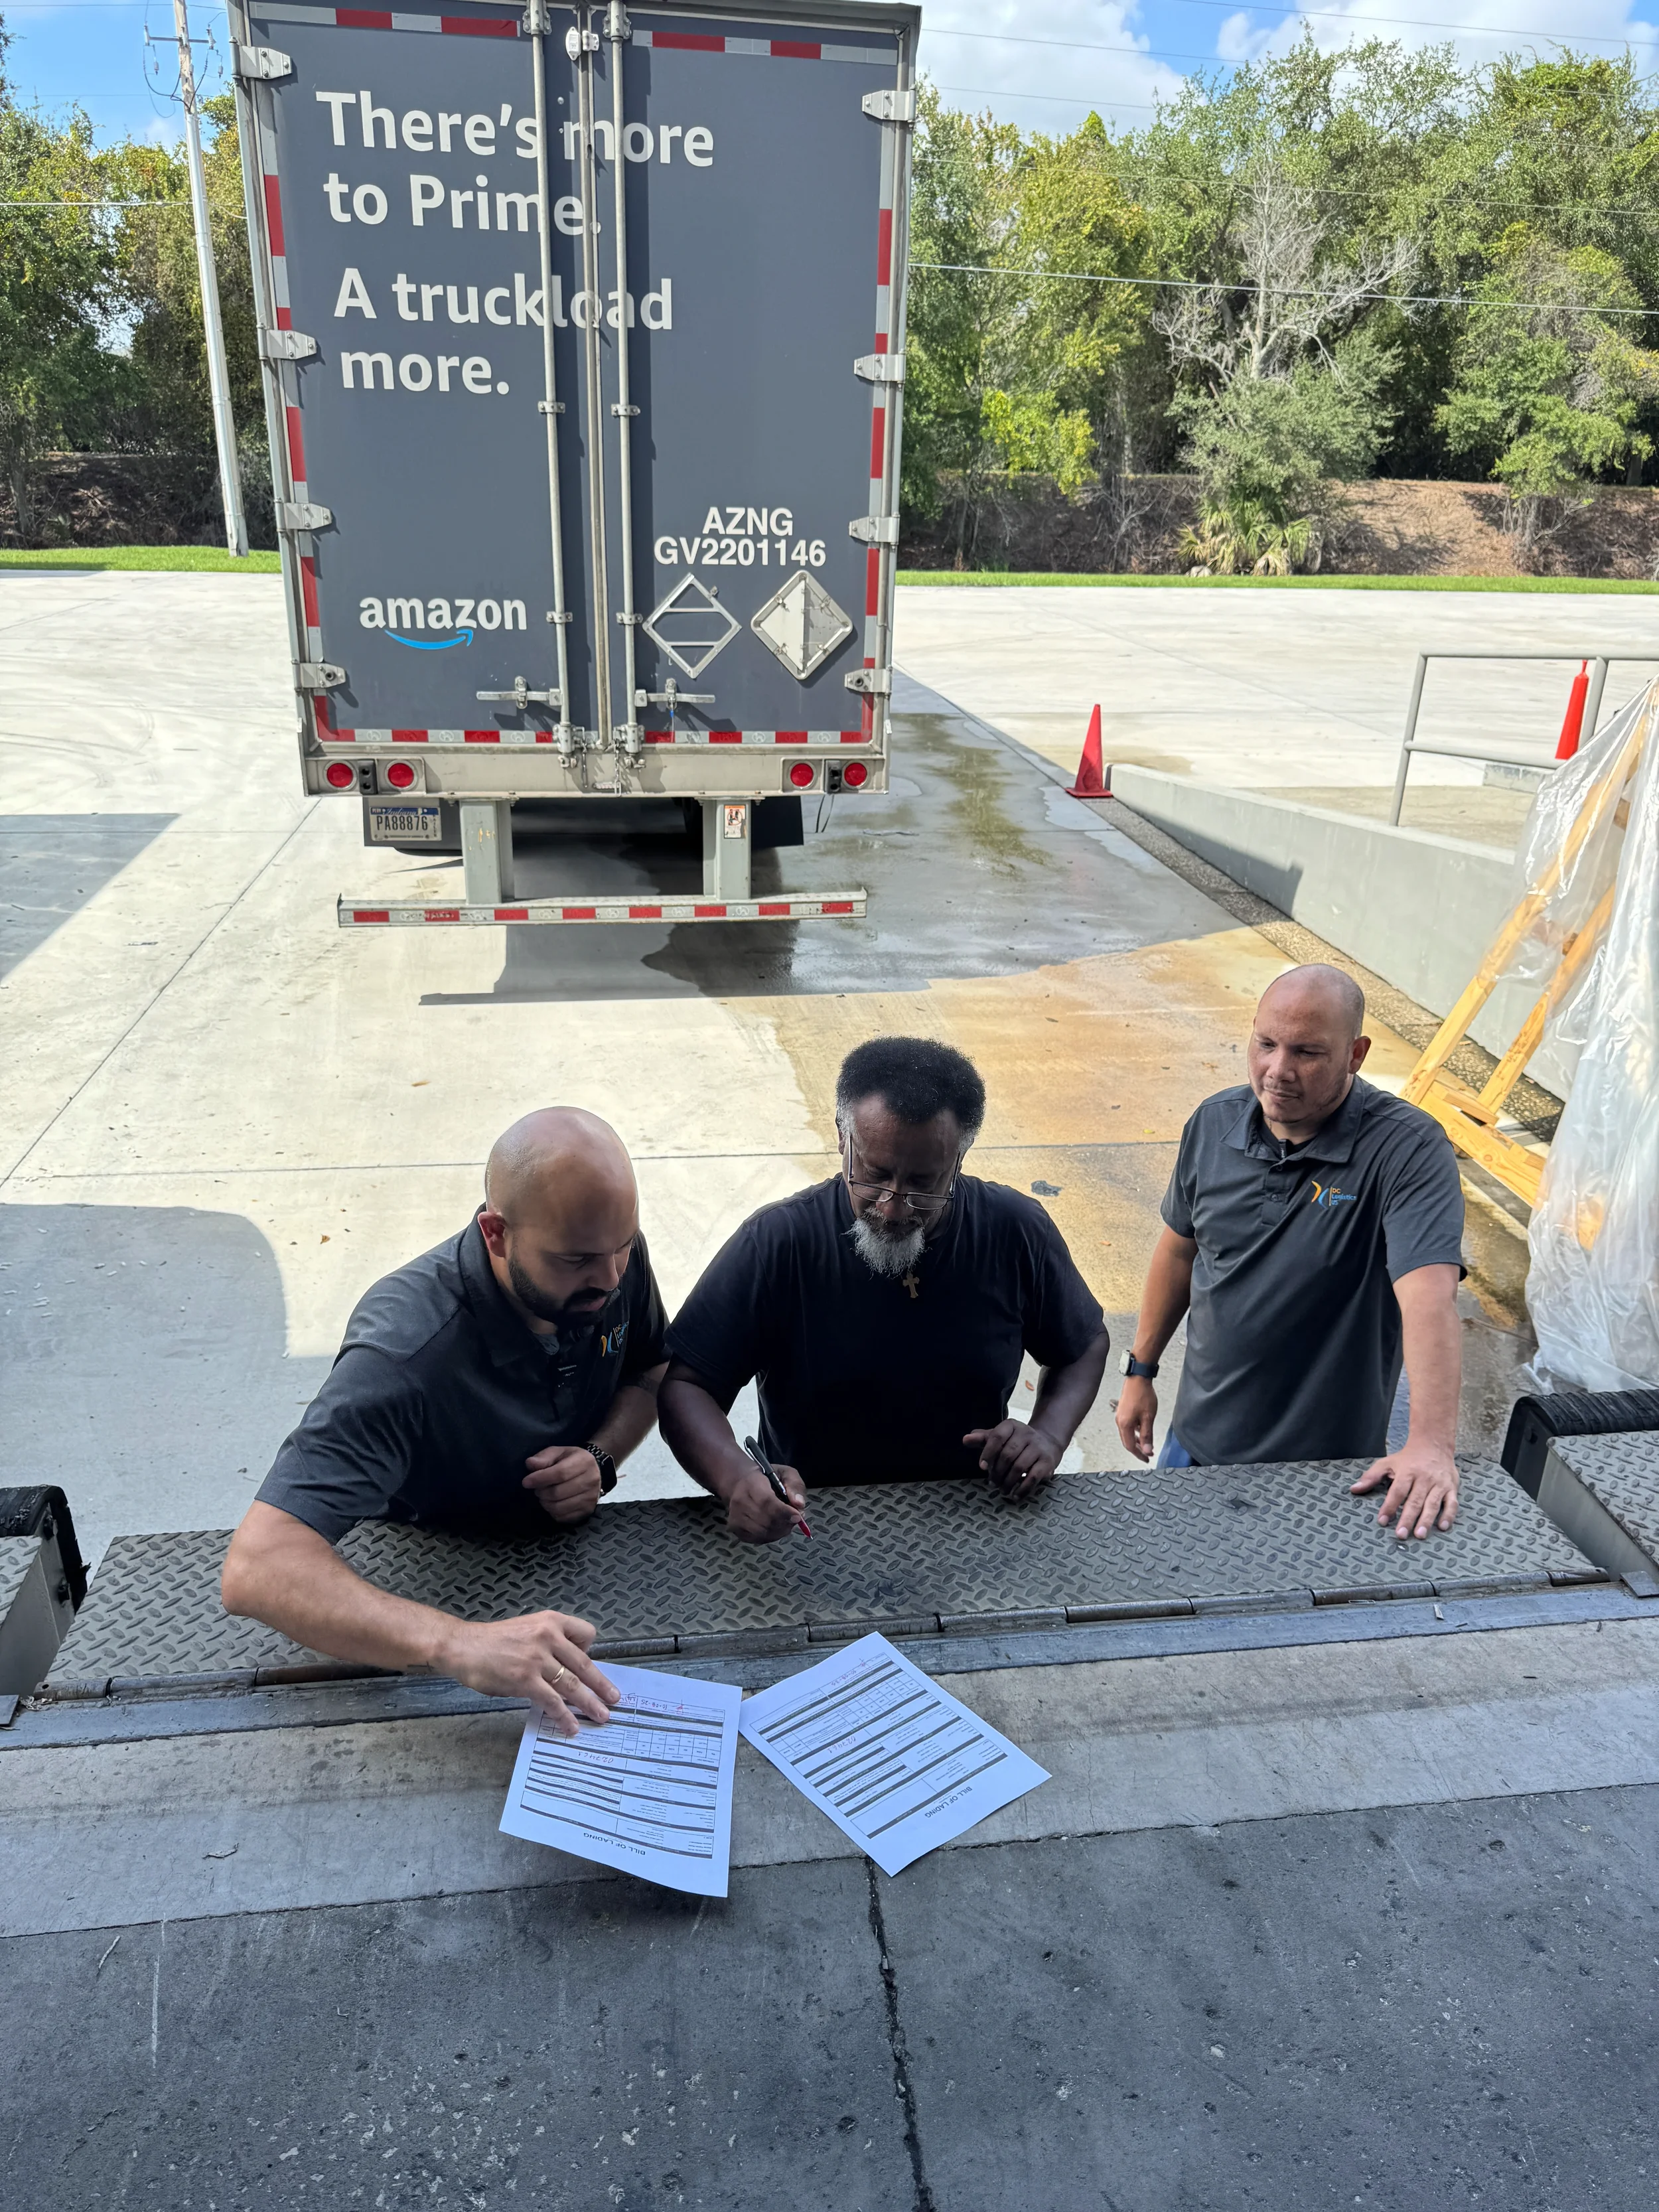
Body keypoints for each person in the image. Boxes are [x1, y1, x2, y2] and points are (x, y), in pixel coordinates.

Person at [220, 1107, 669, 1733]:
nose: (612, 1278)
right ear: (495, 1233)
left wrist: (601, 1455)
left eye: (624, 1247)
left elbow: (651, 1371)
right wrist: (460, 1644)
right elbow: (257, 1567)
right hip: (424, 1578)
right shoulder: (406, 1353)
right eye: (577, 1261)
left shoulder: (610, 1256)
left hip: (567, 1573)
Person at [658, 1037, 1110, 1542]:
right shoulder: (778, 1243)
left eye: (923, 1182)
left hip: (977, 1526)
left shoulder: (1016, 1230)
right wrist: (737, 1478)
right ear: (841, 1139)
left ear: (959, 1160)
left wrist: (1048, 1434)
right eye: (873, 1175)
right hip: (809, 1531)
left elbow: (1084, 1344)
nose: (893, 1207)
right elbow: (687, 1386)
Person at [1114, 964, 1465, 1539]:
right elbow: (1180, 1251)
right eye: (1266, 1044)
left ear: (1356, 1054)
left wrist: (1429, 1443)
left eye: (1306, 1052)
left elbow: (1428, 1295)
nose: (1278, 1071)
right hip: (1193, 1446)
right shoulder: (1212, 1124)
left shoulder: (1406, 1149)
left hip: (1327, 1476)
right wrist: (1140, 1372)